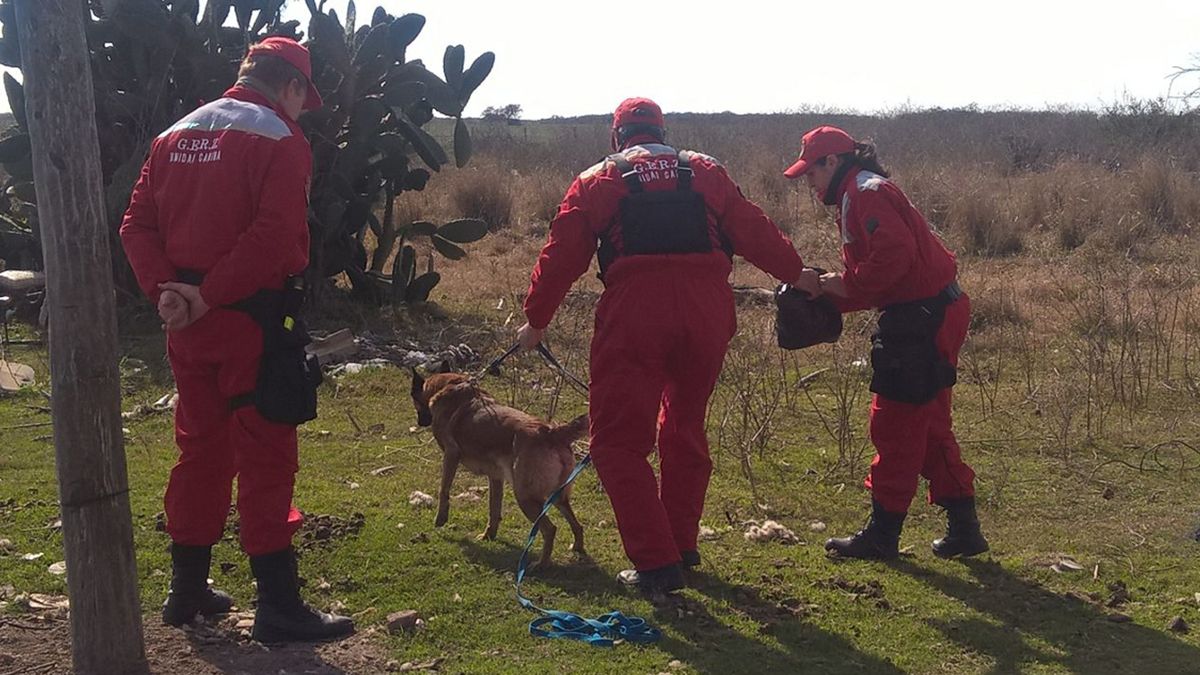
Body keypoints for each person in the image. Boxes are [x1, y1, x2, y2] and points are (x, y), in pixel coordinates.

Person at [516, 98, 820, 594]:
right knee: (683, 426)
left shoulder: (597, 179)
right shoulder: (705, 170)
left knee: (616, 443)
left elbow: (560, 256)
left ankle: (657, 567)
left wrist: (536, 320)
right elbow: (754, 230)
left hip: (637, 312)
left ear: (617, 138)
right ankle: (680, 545)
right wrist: (798, 274)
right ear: (661, 131)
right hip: (707, 312)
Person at [119, 37, 354, 642]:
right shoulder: (280, 137)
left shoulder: (173, 136)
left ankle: (186, 590)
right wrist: (212, 293)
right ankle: (277, 603)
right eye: (304, 97)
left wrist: (167, 293)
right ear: (291, 86)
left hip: (187, 325)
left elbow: (136, 225)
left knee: (200, 449)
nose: (303, 109)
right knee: (266, 453)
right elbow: (277, 236)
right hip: (249, 319)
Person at [783, 125, 988, 560]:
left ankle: (883, 535)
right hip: (930, 312)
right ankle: (964, 528)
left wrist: (839, 285)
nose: (809, 182)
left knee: (894, 422)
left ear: (832, 162)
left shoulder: (865, 193)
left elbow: (892, 261)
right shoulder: (860, 191)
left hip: (922, 318)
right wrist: (831, 297)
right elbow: (886, 276)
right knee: (928, 426)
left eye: (811, 172)